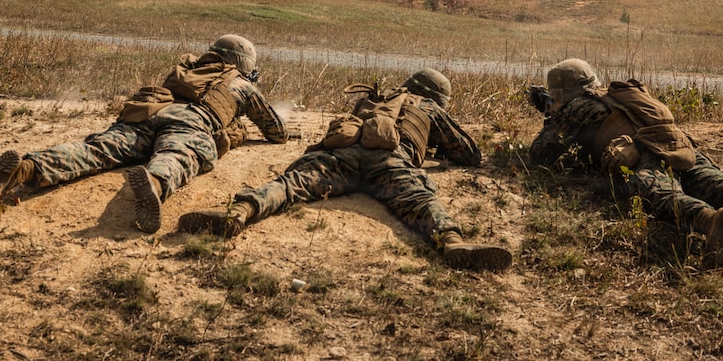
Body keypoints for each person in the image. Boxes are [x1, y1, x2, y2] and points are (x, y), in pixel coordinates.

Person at [177, 69, 514, 272]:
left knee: (290, 185)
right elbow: (469, 154)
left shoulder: (374, 100)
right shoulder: (426, 106)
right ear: (437, 97)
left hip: (339, 156)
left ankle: (240, 211)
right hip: (391, 162)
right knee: (421, 201)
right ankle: (453, 244)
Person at [527, 58, 723, 266]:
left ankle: (709, 221)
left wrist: (550, 114)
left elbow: (540, 154)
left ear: (562, 90)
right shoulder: (620, 95)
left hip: (646, 153)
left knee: (657, 192)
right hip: (680, 145)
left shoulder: (579, 105)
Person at [0, 35, 289, 234]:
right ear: (243, 65)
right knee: (176, 156)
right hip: (192, 124)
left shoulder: (189, 66)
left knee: (96, 149)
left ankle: (25, 168)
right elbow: (276, 131)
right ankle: (154, 182)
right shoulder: (241, 84)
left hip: (150, 112)